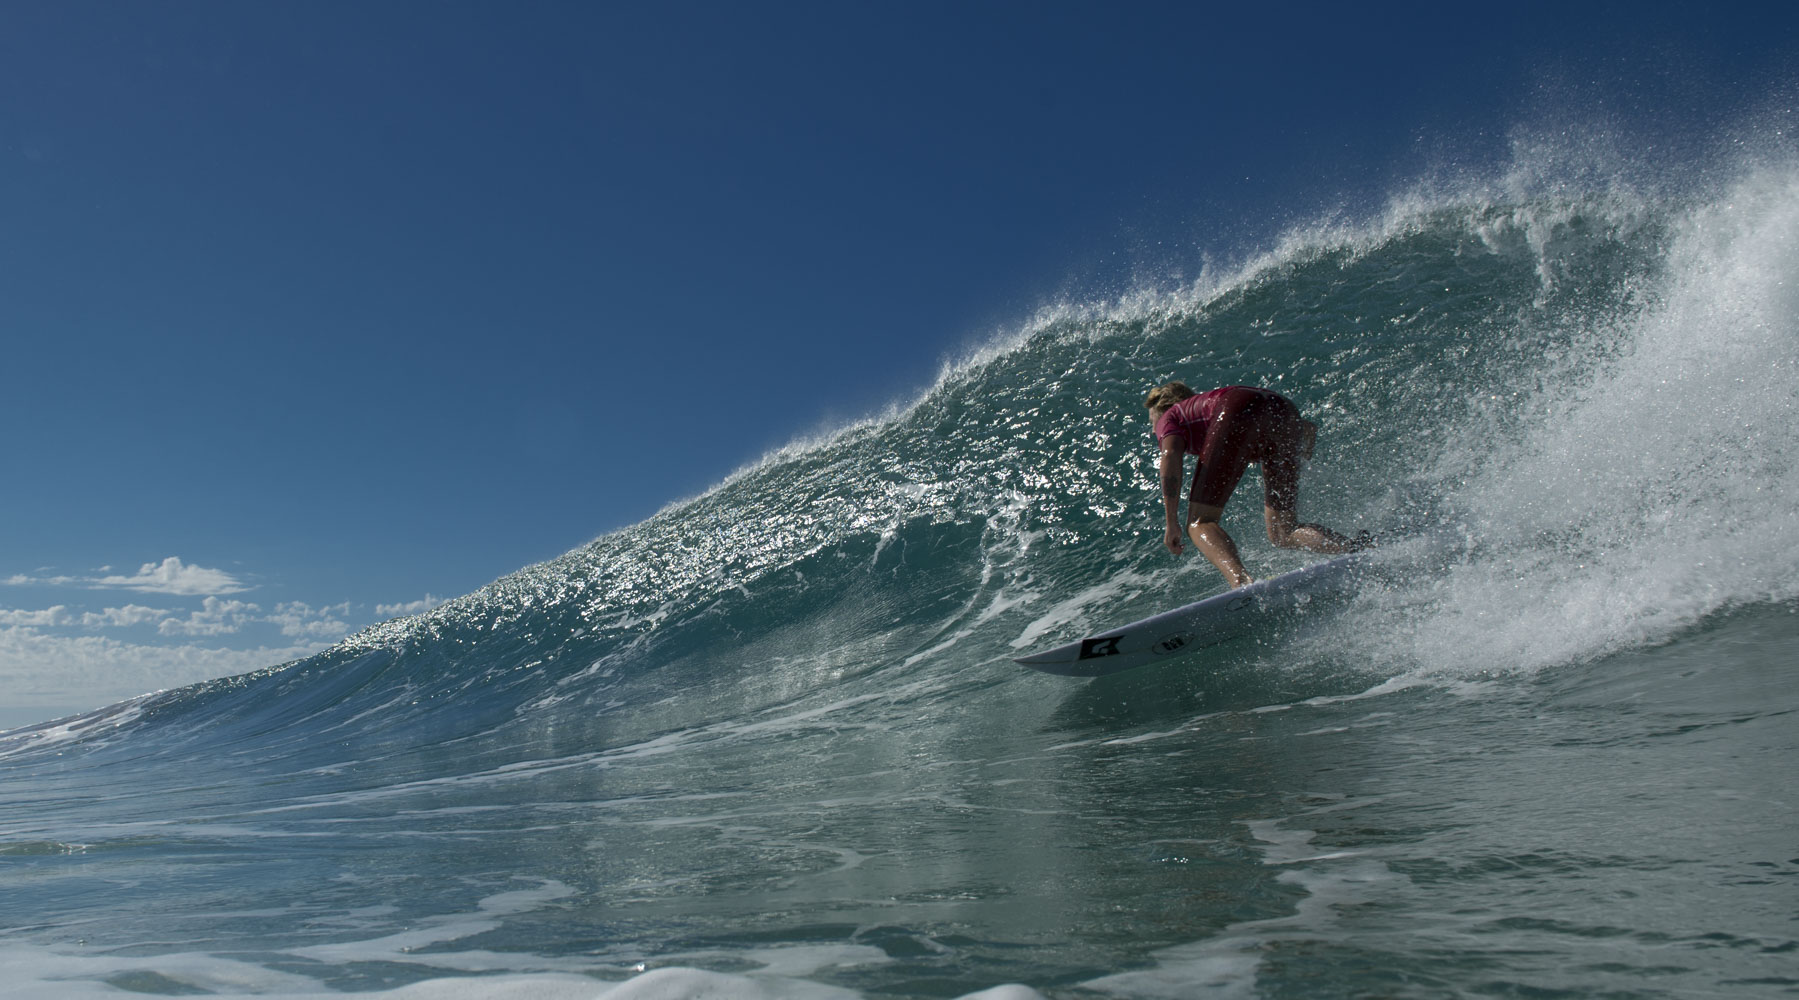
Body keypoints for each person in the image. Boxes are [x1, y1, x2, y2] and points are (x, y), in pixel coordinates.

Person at [1145, 382, 1367, 588]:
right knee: (1283, 531)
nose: (1155, 430)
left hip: (1236, 408)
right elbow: (1308, 430)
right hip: (1282, 409)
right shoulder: (1201, 409)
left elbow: (1170, 455)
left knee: (1199, 523)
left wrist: (1171, 522)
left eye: (1152, 423)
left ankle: (1242, 583)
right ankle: (1357, 549)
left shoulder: (1170, 415)